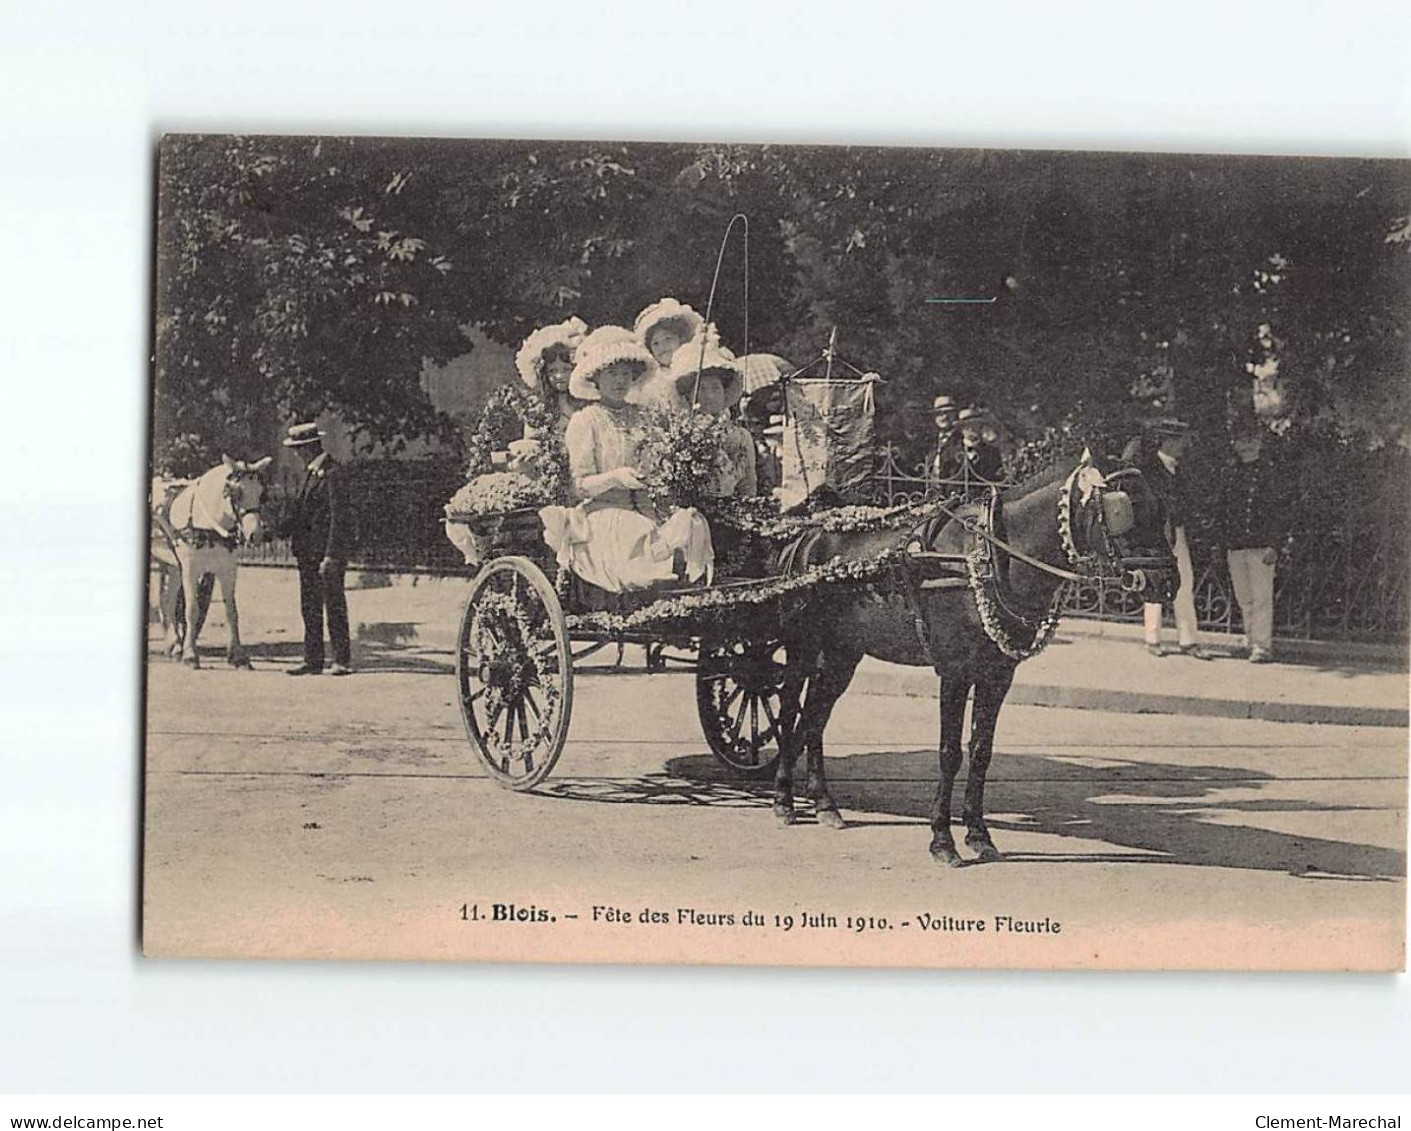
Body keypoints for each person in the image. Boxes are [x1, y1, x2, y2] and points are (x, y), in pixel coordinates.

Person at [539, 327, 712, 593]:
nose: (620, 381)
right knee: (634, 529)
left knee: (691, 521)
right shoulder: (586, 420)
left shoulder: (645, 417)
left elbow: (659, 463)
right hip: (602, 515)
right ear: (595, 378)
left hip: (648, 509)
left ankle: (685, 591)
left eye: (625, 374)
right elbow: (579, 485)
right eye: (612, 374)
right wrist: (615, 478)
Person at [1124, 417, 1210, 659]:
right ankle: (1153, 638)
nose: (1184, 445)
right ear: (1168, 442)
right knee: (1156, 582)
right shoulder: (1150, 470)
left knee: (1185, 583)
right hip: (1158, 534)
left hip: (1178, 532)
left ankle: (1188, 640)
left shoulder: (1178, 469)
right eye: (1180, 440)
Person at [283, 422, 353, 676]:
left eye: (298, 449)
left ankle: (341, 660)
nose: (295, 454)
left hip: (325, 555)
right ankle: (313, 660)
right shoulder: (309, 473)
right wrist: (271, 531)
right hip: (306, 554)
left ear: (310, 448)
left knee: (334, 605)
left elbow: (339, 517)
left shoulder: (333, 473)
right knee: (309, 607)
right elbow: (299, 516)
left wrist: (332, 554)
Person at [1218, 426, 1287, 663]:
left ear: (1259, 443)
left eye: (1251, 439)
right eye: (1241, 439)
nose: (1246, 445)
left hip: (1261, 545)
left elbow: (1280, 511)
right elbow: (1224, 509)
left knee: (1261, 598)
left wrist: (1274, 544)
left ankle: (1262, 646)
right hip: (1237, 545)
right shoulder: (1231, 473)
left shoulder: (1271, 474)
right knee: (1244, 597)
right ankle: (1250, 640)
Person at [668, 331, 757, 498]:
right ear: (689, 396)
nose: (710, 396)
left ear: (724, 392)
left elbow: (748, 487)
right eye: (702, 389)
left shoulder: (741, 436)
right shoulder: (680, 436)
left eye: (716, 388)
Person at [513, 315, 589, 438]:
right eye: (552, 371)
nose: (560, 376)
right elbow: (531, 444)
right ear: (544, 375)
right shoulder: (539, 409)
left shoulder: (586, 405)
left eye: (566, 370)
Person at [632, 297, 705, 412]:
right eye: (655, 343)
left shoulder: (695, 368)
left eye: (668, 339)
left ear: (681, 338)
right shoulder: (652, 382)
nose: (662, 347)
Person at [936, 406, 1004, 497]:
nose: (971, 429)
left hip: (983, 500)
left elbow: (997, 478)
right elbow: (943, 479)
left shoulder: (992, 452)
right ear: (961, 429)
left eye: (974, 425)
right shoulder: (949, 452)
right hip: (955, 500)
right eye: (966, 426)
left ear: (980, 427)